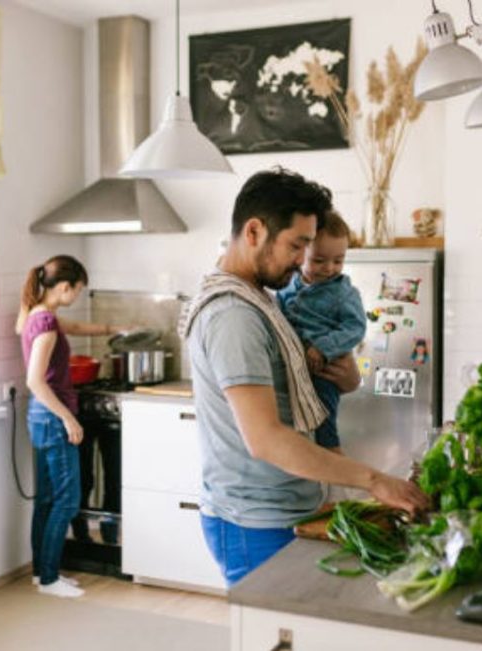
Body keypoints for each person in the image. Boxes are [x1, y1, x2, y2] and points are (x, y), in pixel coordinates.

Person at [181, 168, 430, 587]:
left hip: (288, 507)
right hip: (255, 521)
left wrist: (348, 377)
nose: (303, 260)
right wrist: (373, 480)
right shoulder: (233, 316)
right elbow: (265, 439)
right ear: (255, 231)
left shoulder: (263, 298)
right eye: (297, 245)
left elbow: (299, 381)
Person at [16, 255, 127, 598]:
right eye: (78, 290)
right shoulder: (47, 325)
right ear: (65, 287)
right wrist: (68, 416)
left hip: (40, 417)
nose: (77, 296)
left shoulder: (35, 315)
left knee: (48, 500)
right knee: (67, 500)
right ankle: (49, 579)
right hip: (52, 417)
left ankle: (41, 574)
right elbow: (35, 380)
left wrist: (114, 330)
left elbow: (75, 329)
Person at [276, 210, 366, 451]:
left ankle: (331, 454)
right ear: (300, 254)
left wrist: (323, 348)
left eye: (338, 261)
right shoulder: (286, 287)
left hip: (324, 370)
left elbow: (355, 328)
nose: (329, 268)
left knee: (323, 420)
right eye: (319, 260)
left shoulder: (343, 293)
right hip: (293, 371)